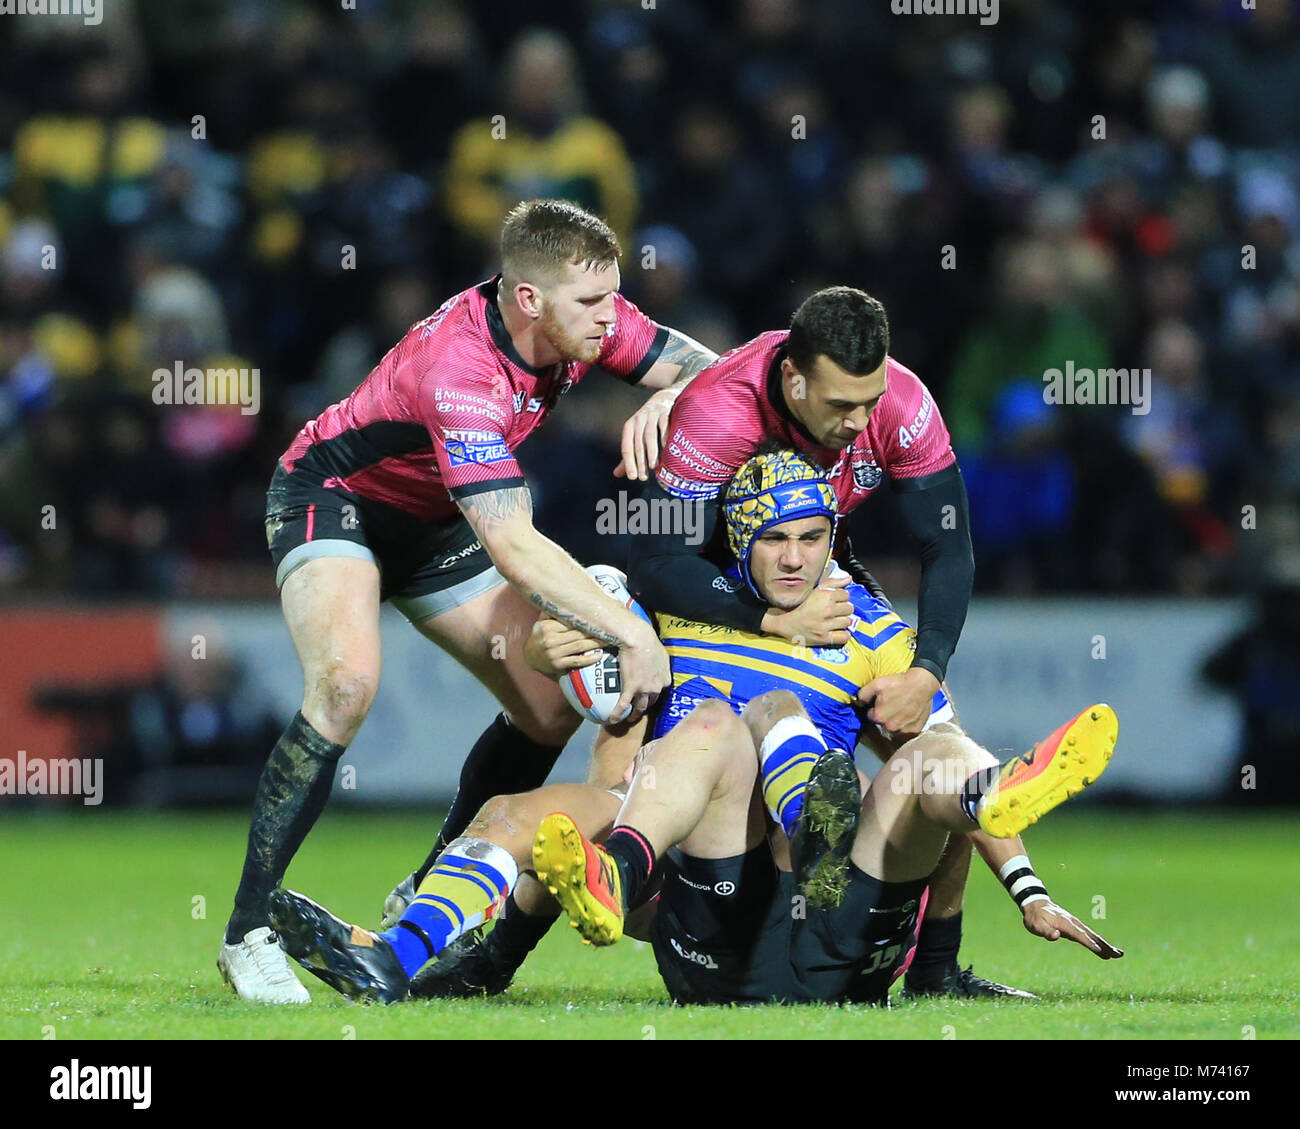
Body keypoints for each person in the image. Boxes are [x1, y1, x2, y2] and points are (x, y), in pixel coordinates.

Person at [265, 449, 1120, 1004]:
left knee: (928, 750)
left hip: (836, 919)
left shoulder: (875, 631)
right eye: (775, 538)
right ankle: (397, 960)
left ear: (835, 535)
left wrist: (1028, 889)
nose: (796, 557)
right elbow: (580, 658)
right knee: (525, 809)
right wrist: (556, 638)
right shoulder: (677, 608)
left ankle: (960, 795)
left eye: (815, 537)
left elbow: (942, 783)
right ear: (739, 542)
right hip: (712, 906)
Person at [217, 199, 718, 1003]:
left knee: (552, 708)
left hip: (432, 520)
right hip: (335, 496)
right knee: (346, 685)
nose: (611, 317)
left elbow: (714, 370)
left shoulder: (585, 318)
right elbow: (515, 546)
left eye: (612, 297)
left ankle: (424, 894)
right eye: (591, 303)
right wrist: (630, 631)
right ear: (528, 299)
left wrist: (666, 394)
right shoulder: (462, 369)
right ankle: (247, 932)